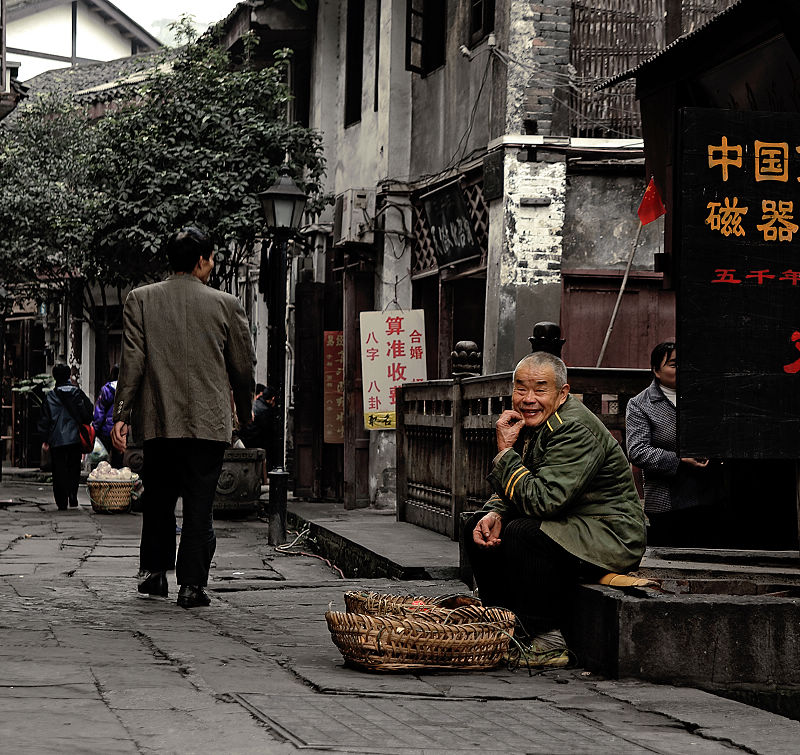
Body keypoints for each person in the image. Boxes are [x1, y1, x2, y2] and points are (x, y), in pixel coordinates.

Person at [463, 352, 646, 668]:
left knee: (524, 534)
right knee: (477, 527)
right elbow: (525, 484)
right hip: (571, 522)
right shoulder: (535, 424)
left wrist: (505, 452)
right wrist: (494, 512)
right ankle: (504, 627)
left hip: (609, 535)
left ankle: (547, 638)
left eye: (540, 389)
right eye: (521, 389)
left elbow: (543, 501)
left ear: (562, 393)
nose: (528, 399)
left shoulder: (572, 428)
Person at [111, 226, 255, 609]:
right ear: (201, 261)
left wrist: (122, 413)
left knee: (158, 500)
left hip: (160, 422)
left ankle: (155, 575)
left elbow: (132, 362)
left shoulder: (140, 300)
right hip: (208, 426)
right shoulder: (226, 304)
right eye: (210, 259)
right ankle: (192, 586)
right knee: (198, 505)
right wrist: (244, 410)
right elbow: (243, 369)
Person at [625, 341, 715, 546]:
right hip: (667, 501)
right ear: (657, 370)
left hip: (706, 497)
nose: (681, 369)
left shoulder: (701, 397)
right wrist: (679, 459)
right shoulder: (640, 404)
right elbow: (638, 451)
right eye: (674, 365)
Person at [38, 364, 93, 511]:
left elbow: (44, 420)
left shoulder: (50, 396)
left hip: (56, 440)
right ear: (69, 375)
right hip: (75, 438)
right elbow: (88, 413)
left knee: (59, 470)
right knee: (74, 468)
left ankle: (61, 501)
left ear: (55, 377)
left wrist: (45, 439)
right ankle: (73, 494)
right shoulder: (77, 393)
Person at [92, 364, 123, 468]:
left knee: (103, 460)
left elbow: (99, 411)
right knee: (118, 460)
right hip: (121, 430)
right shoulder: (126, 390)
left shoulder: (107, 389)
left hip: (106, 430)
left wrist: (95, 428)